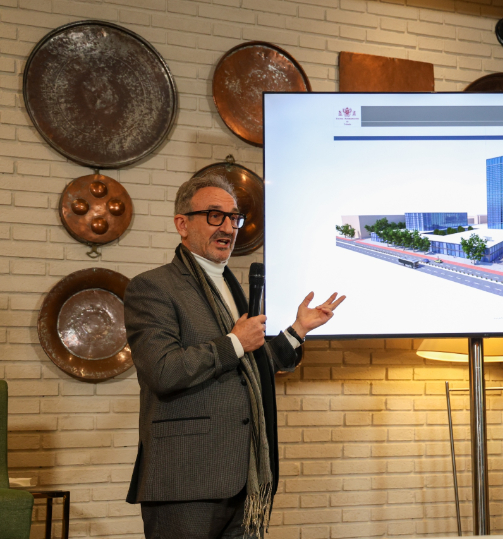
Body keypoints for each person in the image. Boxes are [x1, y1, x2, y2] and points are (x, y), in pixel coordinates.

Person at [124, 176, 345, 539]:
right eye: (215, 215)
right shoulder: (153, 287)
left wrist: (297, 331)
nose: (228, 228)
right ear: (182, 224)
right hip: (186, 480)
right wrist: (234, 342)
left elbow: (248, 368)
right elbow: (163, 371)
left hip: (244, 477)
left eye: (234, 218)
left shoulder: (230, 286)